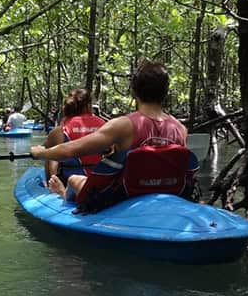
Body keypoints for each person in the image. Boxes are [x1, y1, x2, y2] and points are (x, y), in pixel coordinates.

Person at [30, 61, 191, 208]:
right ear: (166, 91)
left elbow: (71, 150)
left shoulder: (124, 126)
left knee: (73, 179)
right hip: (168, 194)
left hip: (123, 196)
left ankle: (63, 195)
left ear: (134, 91)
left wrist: (40, 153)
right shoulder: (180, 129)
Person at [42, 88, 107, 184]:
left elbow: (43, 149)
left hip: (71, 182)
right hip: (99, 180)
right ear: (88, 106)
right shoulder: (105, 125)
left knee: (50, 154)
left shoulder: (60, 130)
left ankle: (51, 185)